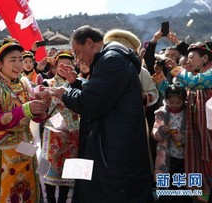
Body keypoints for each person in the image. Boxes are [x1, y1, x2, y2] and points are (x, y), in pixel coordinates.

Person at [48, 25, 152, 202]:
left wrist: (65, 93)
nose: (77, 58)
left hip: (113, 151)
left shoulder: (112, 60)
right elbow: (102, 93)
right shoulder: (109, 60)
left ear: (89, 43)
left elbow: (90, 103)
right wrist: (76, 83)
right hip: (109, 145)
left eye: (77, 52)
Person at [0, 37, 49, 202]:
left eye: (20, 59)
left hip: (26, 147)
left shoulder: (25, 82)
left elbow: (34, 118)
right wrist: (27, 109)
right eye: (12, 60)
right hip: (2, 151)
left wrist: (41, 109)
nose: (18, 64)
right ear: (0, 62)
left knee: (28, 193)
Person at [153, 42, 212, 199]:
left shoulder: (207, 74)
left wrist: (174, 67)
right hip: (200, 136)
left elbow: (194, 82)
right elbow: (174, 95)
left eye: (192, 57)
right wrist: (159, 75)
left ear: (205, 58)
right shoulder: (193, 76)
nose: (188, 60)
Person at [41, 50, 80, 203]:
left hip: (74, 133)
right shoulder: (47, 84)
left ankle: (63, 200)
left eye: (69, 65)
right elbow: (42, 110)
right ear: (55, 67)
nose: (65, 68)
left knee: (68, 173)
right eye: (62, 65)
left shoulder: (78, 84)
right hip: (53, 135)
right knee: (51, 170)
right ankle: (50, 199)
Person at [152, 84, 192, 203]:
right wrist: (161, 131)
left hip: (183, 157)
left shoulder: (188, 112)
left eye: (177, 103)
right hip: (165, 157)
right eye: (171, 102)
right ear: (166, 100)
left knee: (180, 185)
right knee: (165, 186)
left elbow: (193, 134)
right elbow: (155, 134)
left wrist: (183, 137)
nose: (174, 105)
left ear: (183, 101)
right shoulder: (161, 113)